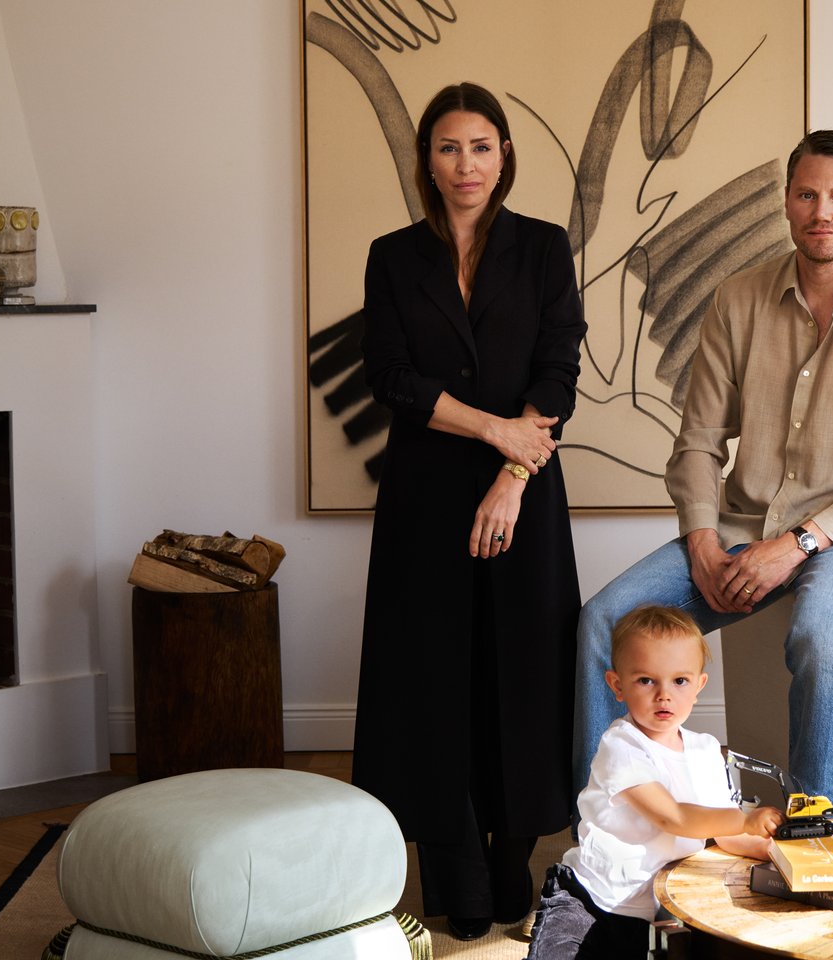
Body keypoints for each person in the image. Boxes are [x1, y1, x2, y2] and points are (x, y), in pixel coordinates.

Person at [574, 129, 833, 820]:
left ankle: (813, 838)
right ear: (786, 202)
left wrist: (797, 545)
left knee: (821, 638)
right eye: (807, 194)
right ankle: (612, 833)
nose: (821, 211)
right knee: (605, 618)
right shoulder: (737, 301)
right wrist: (703, 539)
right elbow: (697, 441)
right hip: (744, 524)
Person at [351, 81, 586, 941]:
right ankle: (451, 865)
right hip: (424, 495)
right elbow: (393, 379)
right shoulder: (392, 255)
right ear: (427, 161)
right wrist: (495, 431)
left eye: (481, 146)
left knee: (526, 674)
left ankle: (509, 856)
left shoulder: (543, 248)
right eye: (449, 148)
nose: (466, 165)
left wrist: (513, 474)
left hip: (524, 493)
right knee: (432, 679)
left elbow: (559, 372)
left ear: (505, 155)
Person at [528, 605, 782, 959]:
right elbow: (673, 817)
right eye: (646, 680)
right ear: (617, 685)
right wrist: (745, 818)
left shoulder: (706, 751)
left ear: (698, 686)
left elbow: (725, 831)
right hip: (590, 897)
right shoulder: (621, 746)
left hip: (660, 908)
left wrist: (775, 848)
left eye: (679, 681)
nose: (664, 694)